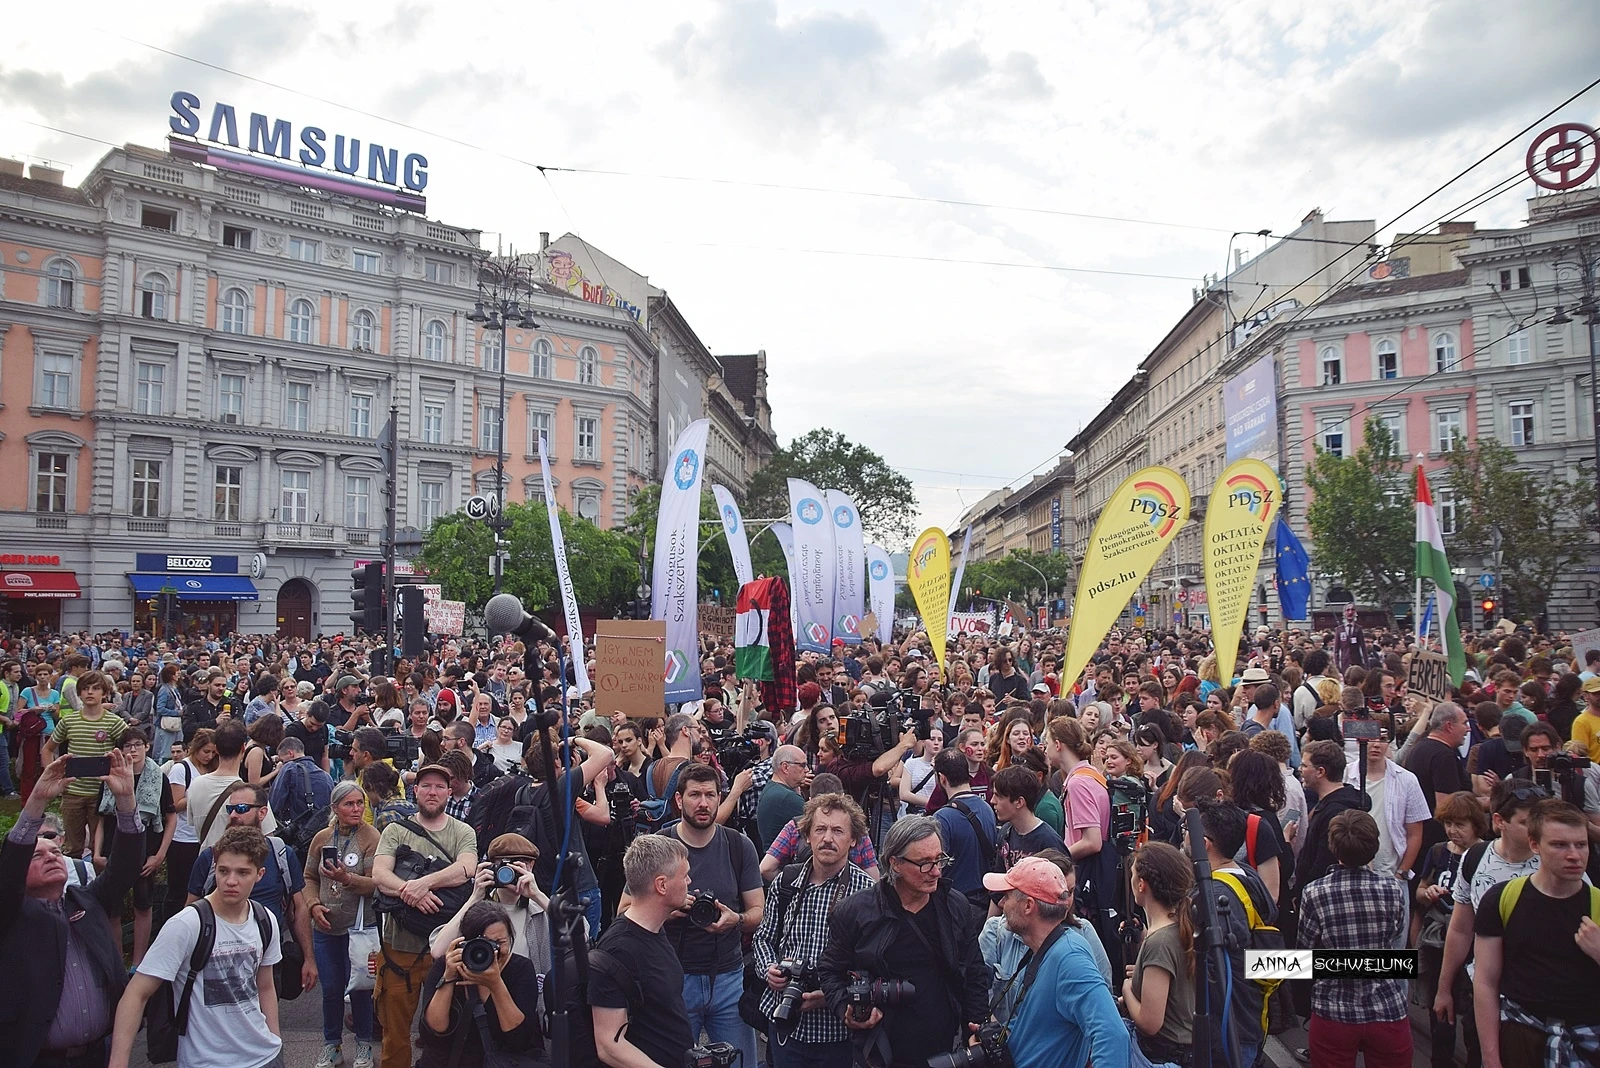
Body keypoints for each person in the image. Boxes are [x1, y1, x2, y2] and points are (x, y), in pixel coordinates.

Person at [0, 751, 143, 1068]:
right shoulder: (10, 914)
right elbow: (8, 872)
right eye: (37, 855)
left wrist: (125, 801)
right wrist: (38, 798)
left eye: (55, 851)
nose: (52, 857)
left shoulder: (87, 901)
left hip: (98, 1055)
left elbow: (126, 867)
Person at [617, 761, 763, 1068]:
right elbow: (624, 912)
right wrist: (668, 910)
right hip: (672, 978)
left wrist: (735, 920)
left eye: (710, 795)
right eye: (695, 795)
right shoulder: (658, 847)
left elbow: (758, 912)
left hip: (728, 978)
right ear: (679, 799)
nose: (703, 803)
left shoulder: (738, 846)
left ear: (720, 798)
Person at [818, 816, 991, 1068]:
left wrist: (975, 1027)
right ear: (895, 863)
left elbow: (974, 974)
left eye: (939, 860)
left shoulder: (955, 906)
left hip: (944, 1050)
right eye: (924, 864)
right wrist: (846, 1007)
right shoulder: (855, 912)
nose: (936, 871)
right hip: (879, 1053)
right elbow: (830, 970)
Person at [109, 826, 283, 1068]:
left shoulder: (264, 919)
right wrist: (118, 1061)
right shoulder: (187, 924)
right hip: (206, 1060)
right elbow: (136, 993)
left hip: (264, 1056)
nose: (231, 881)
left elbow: (265, 986)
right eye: (223, 871)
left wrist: (275, 1040)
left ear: (259, 874)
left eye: (243, 872)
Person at [1472, 800, 1600, 1068]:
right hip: (1522, 1035)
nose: (1574, 855)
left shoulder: (1597, 904)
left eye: (1581, 844)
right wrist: (1491, 1057)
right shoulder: (1503, 898)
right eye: (1559, 845)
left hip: (1587, 1040)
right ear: (1534, 845)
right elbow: (1485, 981)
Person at [753, 793, 876, 1068]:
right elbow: (763, 937)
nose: (827, 838)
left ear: (853, 839)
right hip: (785, 1023)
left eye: (838, 831)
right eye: (820, 829)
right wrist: (769, 969)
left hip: (837, 1031)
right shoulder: (787, 881)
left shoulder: (867, 892)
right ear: (807, 836)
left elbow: (875, 966)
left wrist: (833, 994)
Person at [371, 762, 478, 1068]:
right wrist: (412, 892)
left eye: (440, 786)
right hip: (398, 950)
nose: (433, 792)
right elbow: (380, 875)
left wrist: (423, 883)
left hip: (444, 952)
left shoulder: (463, 831)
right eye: (427, 786)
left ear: (449, 792)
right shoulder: (394, 830)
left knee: (446, 1032)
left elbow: (467, 868)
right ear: (415, 791)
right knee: (394, 1036)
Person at [983, 855, 1129, 1068]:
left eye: (1007, 895)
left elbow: (1113, 1037)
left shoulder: (1070, 959)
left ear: (1028, 905)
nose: (1002, 903)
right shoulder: (1044, 949)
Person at [1296, 810, 1412, 1067]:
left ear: (1334, 847)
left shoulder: (1315, 892)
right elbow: (1396, 936)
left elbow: (1305, 949)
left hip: (1333, 1009)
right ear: (1374, 846)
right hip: (1386, 1007)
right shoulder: (1393, 890)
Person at [590, 834, 695, 1068]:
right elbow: (609, 1046)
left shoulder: (656, 929)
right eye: (684, 875)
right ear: (662, 885)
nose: (689, 881)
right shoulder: (618, 950)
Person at [302, 780, 380, 1068]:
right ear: (335, 808)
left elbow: (376, 883)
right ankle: (331, 1045)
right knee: (332, 989)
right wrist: (313, 904)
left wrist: (347, 878)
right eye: (349, 804)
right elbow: (309, 877)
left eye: (360, 803)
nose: (356, 809)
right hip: (326, 927)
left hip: (358, 928)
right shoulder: (322, 837)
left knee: (360, 988)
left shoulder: (371, 837)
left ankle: (364, 1044)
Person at [416, 900, 545, 1068]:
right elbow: (432, 1034)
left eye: (500, 942)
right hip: (446, 1061)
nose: (493, 951)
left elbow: (519, 1040)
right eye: (483, 945)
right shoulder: (447, 965)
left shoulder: (521, 968)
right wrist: (448, 978)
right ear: (464, 942)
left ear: (510, 938)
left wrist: (495, 984)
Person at [90, 728, 176, 966]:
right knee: (112, 908)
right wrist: (96, 853)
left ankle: (139, 962)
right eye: (128, 746)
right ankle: (117, 961)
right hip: (113, 850)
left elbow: (170, 817)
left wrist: (160, 855)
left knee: (143, 904)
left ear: (147, 746)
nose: (133, 750)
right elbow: (101, 820)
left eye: (138, 744)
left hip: (146, 850)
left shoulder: (159, 778)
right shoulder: (111, 778)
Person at [1195, 800, 1271, 1068]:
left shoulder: (1216, 894)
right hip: (1249, 1015)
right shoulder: (1246, 874)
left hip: (1229, 1029)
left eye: (1187, 831)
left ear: (1204, 843)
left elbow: (1215, 962)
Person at [1045, 715, 1122, 977]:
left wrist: (1056, 859)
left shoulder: (1078, 783)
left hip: (1087, 875)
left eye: (1047, 742)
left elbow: (1092, 841)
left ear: (1058, 744)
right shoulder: (1092, 775)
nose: (1045, 748)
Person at [1415, 791, 1487, 1068]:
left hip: (1473, 941)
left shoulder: (1485, 855)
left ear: (1476, 825)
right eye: (1448, 824)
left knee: (1471, 1012)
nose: (1453, 831)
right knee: (1440, 1008)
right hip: (1438, 939)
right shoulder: (1437, 851)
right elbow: (1420, 889)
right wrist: (1428, 893)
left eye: (1460, 825)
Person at [428, 832, 560, 973]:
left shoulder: (540, 911)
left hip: (526, 986)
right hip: (483, 984)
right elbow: (438, 951)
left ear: (531, 866)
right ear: (491, 867)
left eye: (518, 865)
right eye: (504, 866)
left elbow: (576, 936)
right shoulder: (476, 911)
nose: (510, 872)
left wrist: (538, 896)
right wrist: (475, 898)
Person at [1343, 727, 1427, 941]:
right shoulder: (1345, 775)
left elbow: (1415, 832)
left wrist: (1402, 872)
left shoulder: (1407, 780)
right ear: (1360, 741)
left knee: (1395, 942)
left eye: (1382, 738)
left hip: (1392, 876)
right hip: (1353, 875)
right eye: (1370, 739)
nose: (1376, 745)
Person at [1123, 842, 1195, 1067]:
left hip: (1163, 1055)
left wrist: (1127, 990)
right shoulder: (1179, 926)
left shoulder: (1160, 943)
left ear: (1141, 885)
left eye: (1132, 874)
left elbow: (1149, 1023)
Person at [42, 670, 126, 859]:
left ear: (104, 693)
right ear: (79, 693)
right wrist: (53, 776)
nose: (90, 692)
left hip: (101, 794)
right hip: (73, 792)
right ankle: (73, 876)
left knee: (99, 848)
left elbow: (131, 748)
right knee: (72, 846)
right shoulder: (69, 721)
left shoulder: (114, 722)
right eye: (85, 688)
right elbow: (47, 749)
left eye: (95, 688)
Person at [188, 720, 281, 848]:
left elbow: (193, 824)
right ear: (243, 748)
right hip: (239, 859)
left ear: (216, 749)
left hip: (207, 857)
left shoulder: (195, 785)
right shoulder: (252, 794)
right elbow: (269, 837)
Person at [931, 746, 1001, 909]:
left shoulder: (942, 817)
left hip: (955, 902)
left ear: (942, 778)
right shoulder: (987, 808)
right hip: (984, 900)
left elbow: (937, 867)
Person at [1294, 740, 1364, 891]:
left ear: (1320, 772)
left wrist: (1302, 892)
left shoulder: (1335, 812)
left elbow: (1324, 863)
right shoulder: (1329, 804)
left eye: (1304, 766)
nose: (1300, 769)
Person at [991, 764, 1065, 868]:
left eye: (999, 796)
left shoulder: (1049, 842)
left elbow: (1066, 876)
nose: (992, 801)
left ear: (1019, 802)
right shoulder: (1005, 832)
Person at [268, 735, 334, 827]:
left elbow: (274, 804)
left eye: (282, 760)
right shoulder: (326, 776)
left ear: (290, 753)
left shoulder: (290, 768)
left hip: (299, 829)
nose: (282, 763)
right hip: (324, 828)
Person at [757, 744, 811, 852]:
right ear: (785, 767)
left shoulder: (772, 788)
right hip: (782, 860)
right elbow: (816, 827)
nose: (807, 770)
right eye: (802, 765)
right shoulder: (787, 798)